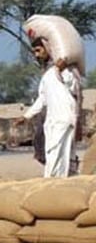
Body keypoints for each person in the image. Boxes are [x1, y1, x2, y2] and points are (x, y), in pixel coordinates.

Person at [15, 38, 81, 177]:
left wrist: (60, 69)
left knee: (55, 154)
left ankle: (50, 186)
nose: (36, 55)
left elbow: (74, 87)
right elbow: (42, 99)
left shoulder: (66, 69)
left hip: (63, 119)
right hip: (53, 120)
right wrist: (26, 116)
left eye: (38, 50)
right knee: (62, 156)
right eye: (34, 52)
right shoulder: (48, 74)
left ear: (47, 48)